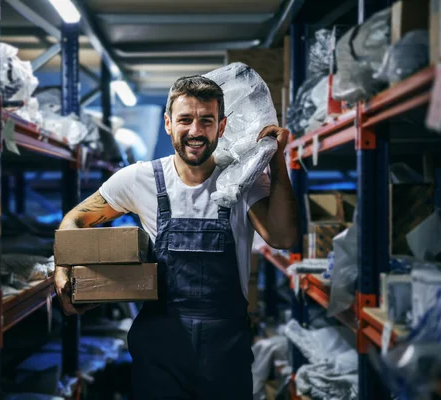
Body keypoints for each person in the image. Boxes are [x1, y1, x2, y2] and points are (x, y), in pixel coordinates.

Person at [54, 75, 299, 399]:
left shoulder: (241, 182)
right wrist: (62, 268)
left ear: (221, 126)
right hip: (160, 355)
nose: (195, 131)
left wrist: (276, 159)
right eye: (185, 120)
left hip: (225, 355)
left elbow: (283, 237)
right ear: (168, 123)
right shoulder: (139, 179)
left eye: (206, 120)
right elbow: (76, 218)